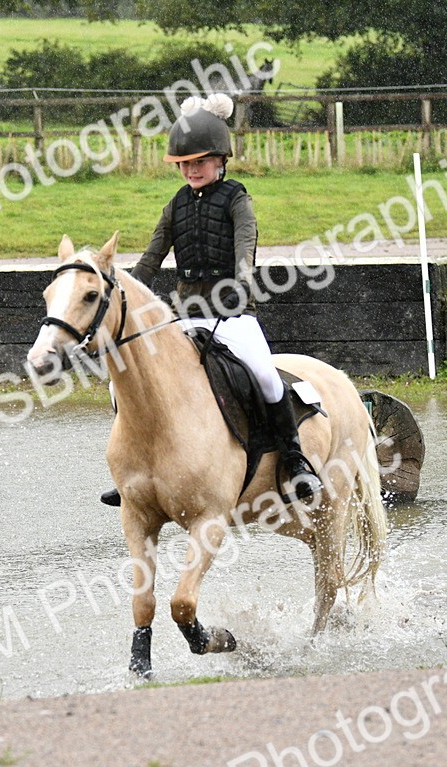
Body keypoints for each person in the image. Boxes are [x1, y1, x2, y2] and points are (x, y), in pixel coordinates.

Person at [100, 93, 322, 507]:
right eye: (184, 164)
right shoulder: (175, 206)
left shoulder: (237, 199)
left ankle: (294, 461)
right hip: (186, 319)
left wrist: (240, 283)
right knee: (124, 381)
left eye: (199, 162)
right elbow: (150, 262)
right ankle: (134, 465)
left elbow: (245, 247)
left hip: (233, 314)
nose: (191, 170)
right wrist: (122, 290)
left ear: (221, 160)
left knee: (267, 376)